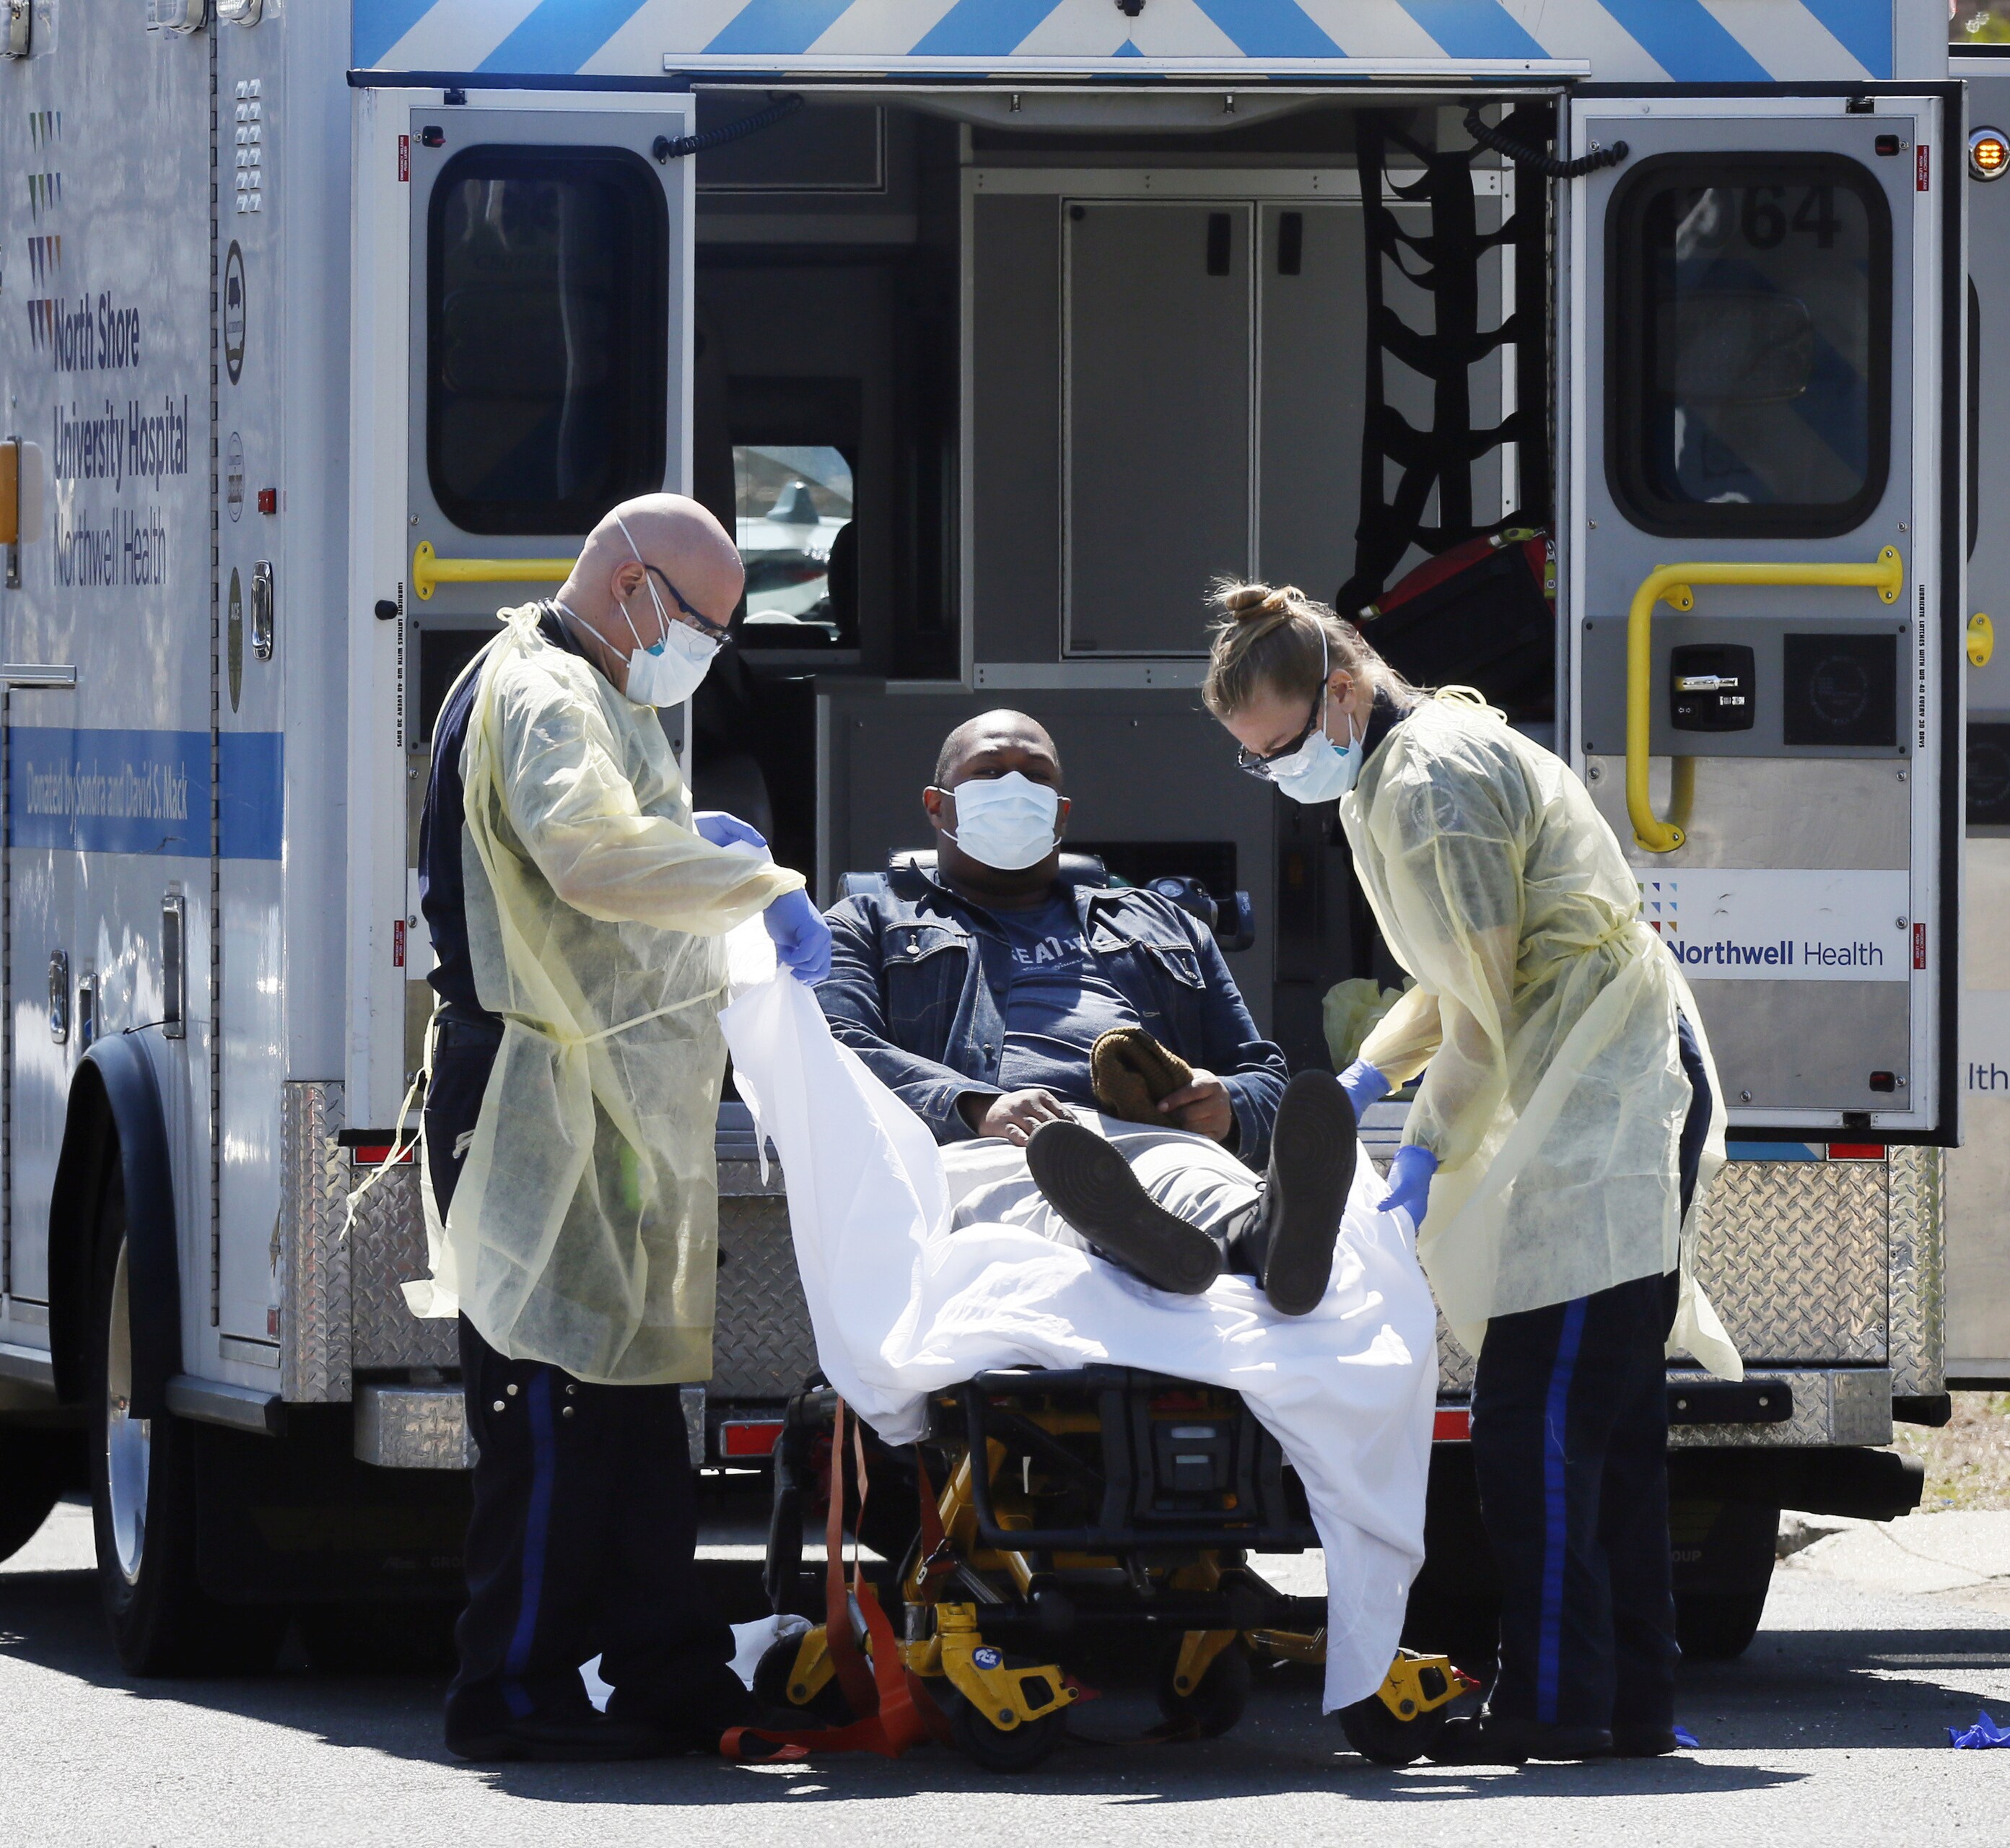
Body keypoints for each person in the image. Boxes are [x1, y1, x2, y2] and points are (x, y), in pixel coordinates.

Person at [1202, 582, 1734, 1767]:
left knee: (1534, 1429)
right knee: (1606, 1427)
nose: (1278, 773)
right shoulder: (1412, 756)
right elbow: (1460, 981)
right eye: (1254, 762)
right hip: (1607, 1078)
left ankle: (1555, 1706)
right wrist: (1369, 1077)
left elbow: (1482, 1014)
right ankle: (1626, 1705)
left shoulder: (1422, 788)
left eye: (1281, 749)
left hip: (1597, 1097)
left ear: (1339, 694)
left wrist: (1423, 1142)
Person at [414, 494, 836, 1761]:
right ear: (633, 589)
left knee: (638, 1404)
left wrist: (691, 841)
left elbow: (619, 847)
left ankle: (666, 1663)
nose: (700, 653)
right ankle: (511, 1688)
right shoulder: (549, 695)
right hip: (534, 1095)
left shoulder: (594, 693)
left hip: (594, 1099)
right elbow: (590, 859)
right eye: (700, 626)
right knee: (550, 1412)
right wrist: (753, 882)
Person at [815, 710, 1350, 1309]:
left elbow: (1262, 1073)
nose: (1014, 789)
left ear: (1060, 814)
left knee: (1196, 1180)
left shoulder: (1161, 923)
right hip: (997, 1146)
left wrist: (1226, 1107)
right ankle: (1139, 1241)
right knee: (1029, 1197)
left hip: (1153, 1134)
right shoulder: (867, 924)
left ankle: (1258, 1238)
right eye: (989, 773)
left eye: (1035, 778)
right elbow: (836, 1046)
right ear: (938, 806)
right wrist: (974, 1105)